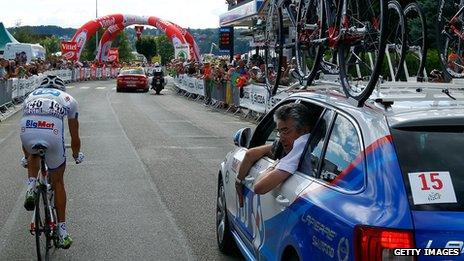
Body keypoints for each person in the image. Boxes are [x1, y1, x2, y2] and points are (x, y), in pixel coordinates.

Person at [19, 75, 84, 249]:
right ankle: (62, 232)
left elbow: (23, 133)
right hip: (52, 135)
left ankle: (31, 186)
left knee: (33, 152)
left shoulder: (30, 96)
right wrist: (76, 154)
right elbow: (74, 136)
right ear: (61, 89)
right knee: (58, 181)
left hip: (28, 132)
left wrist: (26, 157)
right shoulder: (69, 99)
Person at [235, 103, 311, 204]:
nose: (282, 138)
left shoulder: (301, 145)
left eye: (286, 131)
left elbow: (259, 187)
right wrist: (239, 182)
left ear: (304, 130)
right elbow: (250, 154)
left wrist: (274, 166)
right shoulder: (293, 144)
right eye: (279, 132)